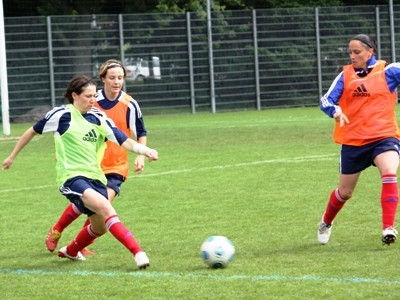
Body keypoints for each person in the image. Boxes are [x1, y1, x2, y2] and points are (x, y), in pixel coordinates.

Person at [2, 75, 158, 268]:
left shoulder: (100, 118)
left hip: (96, 177)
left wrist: (145, 150)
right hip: (71, 177)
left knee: (99, 227)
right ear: (74, 95)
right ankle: (138, 253)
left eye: (94, 95)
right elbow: (32, 131)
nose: (93, 100)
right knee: (107, 208)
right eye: (88, 96)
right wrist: (12, 156)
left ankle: (71, 250)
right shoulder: (61, 115)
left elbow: (124, 140)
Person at [44, 59, 147, 256]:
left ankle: (79, 245)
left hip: (117, 165)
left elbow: (140, 131)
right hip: (91, 163)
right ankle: (57, 230)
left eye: (120, 78)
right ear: (103, 79)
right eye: (112, 78)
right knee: (91, 203)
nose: (117, 82)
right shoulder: (91, 99)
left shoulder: (130, 104)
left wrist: (141, 155)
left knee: (101, 205)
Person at [318, 34, 400, 246]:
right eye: (350, 53)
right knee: (345, 193)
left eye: (357, 52)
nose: (352, 56)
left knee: (389, 172)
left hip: (384, 136)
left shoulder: (389, 72)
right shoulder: (345, 76)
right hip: (354, 141)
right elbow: (326, 100)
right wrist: (335, 111)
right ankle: (326, 221)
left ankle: (388, 228)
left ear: (370, 52)